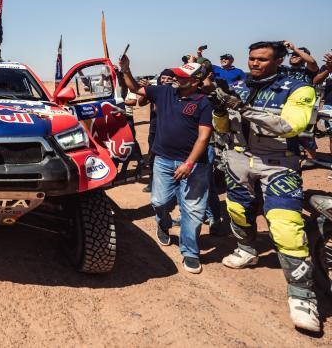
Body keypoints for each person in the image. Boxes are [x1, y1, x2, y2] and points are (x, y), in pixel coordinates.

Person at [211, 41, 319, 332]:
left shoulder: (299, 88)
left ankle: (302, 296)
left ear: (279, 60)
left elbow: (290, 126)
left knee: (285, 226)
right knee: (237, 210)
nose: (254, 63)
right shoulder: (239, 86)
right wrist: (220, 110)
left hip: (278, 162)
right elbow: (223, 128)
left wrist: (241, 108)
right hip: (238, 159)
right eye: (251, 58)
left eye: (262, 59)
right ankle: (246, 249)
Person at [120, 57, 213, 275]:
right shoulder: (163, 92)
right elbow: (135, 88)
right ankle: (163, 223)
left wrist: (189, 163)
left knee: (192, 209)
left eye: (182, 76)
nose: (176, 78)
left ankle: (190, 251)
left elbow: (204, 137)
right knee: (159, 201)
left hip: (194, 165)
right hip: (163, 160)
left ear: (195, 81)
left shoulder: (203, 102)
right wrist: (126, 70)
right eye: (177, 74)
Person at [141, 69, 176, 193]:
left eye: (169, 78)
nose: (165, 81)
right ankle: (152, 182)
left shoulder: (175, 92)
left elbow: (157, 109)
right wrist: (147, 91)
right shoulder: (155, 90)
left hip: (170, 130)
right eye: (163, 78)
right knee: (152, 156)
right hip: (155, 129)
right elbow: (141, 102)